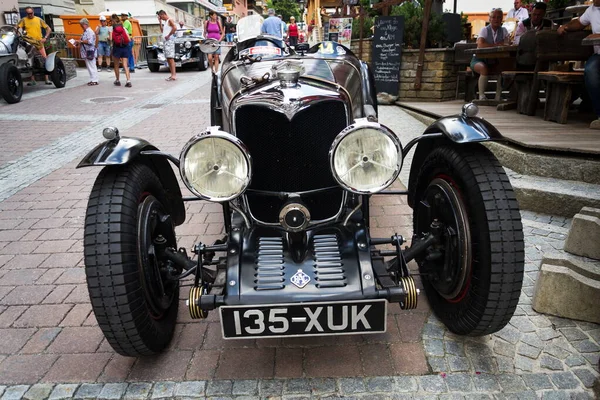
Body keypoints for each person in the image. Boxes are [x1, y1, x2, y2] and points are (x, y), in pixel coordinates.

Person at [558, 0, 600, 130]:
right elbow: (579, 22)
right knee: (591, 70)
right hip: (599, 55)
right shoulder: (591, 10)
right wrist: (565, 27)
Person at [471, 8, 510, 101]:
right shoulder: (484, 30)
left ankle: (498, 97)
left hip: (494, 60)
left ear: (501, 19)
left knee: (502, 69)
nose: (496, 19)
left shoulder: (504, 30)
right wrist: (496, 45)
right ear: (490, 19)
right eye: (494, 17)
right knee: (483, 68)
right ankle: (481, 96)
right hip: (479, 59)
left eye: (499, 17)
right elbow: (480, 45)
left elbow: (507, 43)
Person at [16, 6, 51, 85]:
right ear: (26, 13)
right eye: (28, 13)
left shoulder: (39, 19)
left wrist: (45, 37)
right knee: (30, 61)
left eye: (31, 13)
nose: (30, 15)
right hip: (28, 43)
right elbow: (16, 27)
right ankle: (32, 80)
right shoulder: (23, 20)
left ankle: (47, 79)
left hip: (39, 43)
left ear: (33, 12)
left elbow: (48, 29)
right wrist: (17, 35)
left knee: (44, 59)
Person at [73, 18, 98, 86]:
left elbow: (89, 41)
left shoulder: (89, 32)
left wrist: (80, 41)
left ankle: (94, 80)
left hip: (89, 51)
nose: (81, 26)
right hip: (87, 51)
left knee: (91, 65)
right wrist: (79, 42)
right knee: (90, 65)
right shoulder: (86, 32)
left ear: (85, 24)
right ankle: (93, 79)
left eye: (81, 25)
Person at [110, 14, 132, 87]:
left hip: (117, 47)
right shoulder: (123, 27)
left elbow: (110, 39)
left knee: (116, 65)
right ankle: (128, 81)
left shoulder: (112, 28)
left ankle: (117, 80)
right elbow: (128, 39)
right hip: (125, 47)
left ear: (112, 21)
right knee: (125, 65)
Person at [158, 10, 177, 81]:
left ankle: (174, 75)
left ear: (163, 14)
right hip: (166, 42)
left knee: (171, 58)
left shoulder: (170, 20)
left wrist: (169, 35)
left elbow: (175, 27)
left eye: (161, 17)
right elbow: (162, 31)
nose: (161, 18)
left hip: (169, 41)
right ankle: (172, 74)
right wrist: (160, 22)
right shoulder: (165, 22)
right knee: (168, 58)